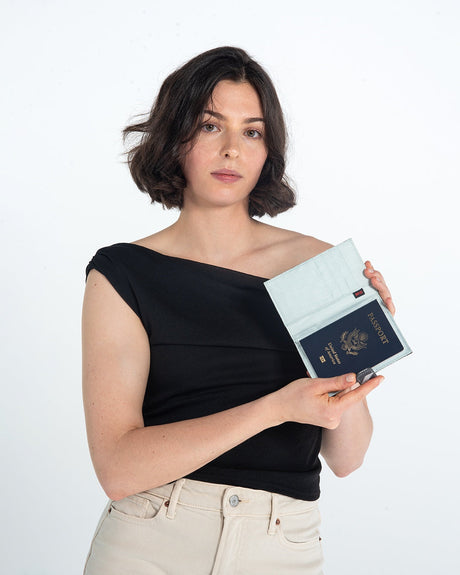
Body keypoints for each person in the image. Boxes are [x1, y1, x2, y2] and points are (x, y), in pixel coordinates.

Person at [82, 46, 395, 575]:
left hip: (282, 545)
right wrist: (275, 408)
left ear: (268, 150)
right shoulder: (122, 274)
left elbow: (347, 458)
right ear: (175, 137)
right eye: (210, 126)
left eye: (252, 132)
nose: (231, 150)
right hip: (150, 542)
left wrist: (360, 351)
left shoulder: (317, 266)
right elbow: (118, 469)